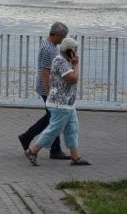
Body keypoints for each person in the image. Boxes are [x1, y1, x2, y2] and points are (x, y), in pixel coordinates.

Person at [24, 37, 91, 167]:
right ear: (70, 51)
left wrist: (73, 63)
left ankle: (75, 156)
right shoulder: (61, 62)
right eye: (75, 50)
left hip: (68, 104)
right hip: (61, 104)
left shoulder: (64, 61)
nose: (77, 53)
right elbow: (72, 79)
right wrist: (76, 64)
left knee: (72, 128)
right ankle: (32, 150)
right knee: (54, 129)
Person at [18, 22, 70, 160]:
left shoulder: (51, 46)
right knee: (54, 118)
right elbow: (45, 72)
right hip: (47, 88)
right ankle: (28, 137)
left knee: (53, 118)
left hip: (49, 88)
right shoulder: (48, 48)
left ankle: (54, 149)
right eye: (63, 36)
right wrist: (49, 93)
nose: (63, 40)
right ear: (57, 35)